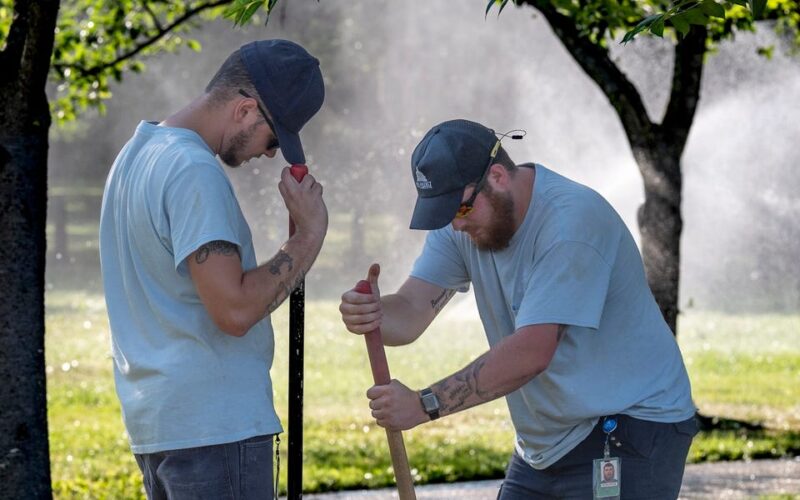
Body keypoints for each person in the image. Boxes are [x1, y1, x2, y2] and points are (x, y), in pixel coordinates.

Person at [339, 119, 698, 499]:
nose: (455, 226)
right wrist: (372, 314)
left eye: (460, 209)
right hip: (547, 444)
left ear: (497, 176)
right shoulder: (460, 222)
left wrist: (425, 404)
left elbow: (531, 352)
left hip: (632, 426)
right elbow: (410, 312)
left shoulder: (571, 224)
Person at [99, 39, 327, 499]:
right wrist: (308, 236)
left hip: (162, 425)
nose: (268, 155)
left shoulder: (134, 157)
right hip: (216, 430)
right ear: (245, 109)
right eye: (273, 138)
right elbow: (235, 311)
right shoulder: (192, 170)